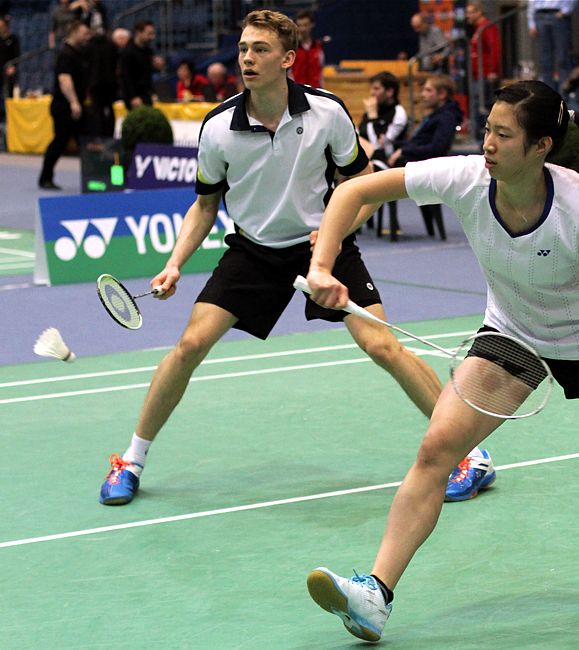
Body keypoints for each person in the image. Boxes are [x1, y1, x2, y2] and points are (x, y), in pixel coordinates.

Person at [302, 79, 579, 642]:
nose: (486, 143)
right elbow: (354, 193)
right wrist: (322, 267)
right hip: (512, 333)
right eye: (487, 129)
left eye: (502, 134)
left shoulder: (578, 206)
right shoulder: (466, 177)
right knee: (437, 449)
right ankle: (376, 594)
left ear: (540, 146)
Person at [98, 9, 481, 507]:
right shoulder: (217, 127)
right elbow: (205, 204)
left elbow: (362, 187)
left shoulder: (326, 112)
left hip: (321, 246)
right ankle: (130, 460)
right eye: (242, 49)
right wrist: (174, 262)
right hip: (254, 251)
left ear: (288, 59)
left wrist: (338, 232)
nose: (247, 58)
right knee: (190, 344)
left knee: (383, 347)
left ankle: (471, 456)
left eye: (259, 49)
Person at [387, 74, 463, 240]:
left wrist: (404, 151)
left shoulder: (446, 117)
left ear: (442, 94)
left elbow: (437, 148)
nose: (423, 94)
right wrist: (397, 144)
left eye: (428, 90)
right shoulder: (435, 115)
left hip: (428, 165)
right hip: (416, 159)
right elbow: (418, 141)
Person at [38, 21, 91, 190]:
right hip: (64, 106)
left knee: (86, 141)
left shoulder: (79, 53)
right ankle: (45, 177)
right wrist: (74, 102)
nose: (87, 36)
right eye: (84, 33)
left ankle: (93, 178)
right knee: (60, 142)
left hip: (77, 104)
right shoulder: (66, 54)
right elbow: (64, 80)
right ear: (73, 32)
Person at [465, 1, 501, 140]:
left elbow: (494, 48)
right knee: (476, 106)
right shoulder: (477, 29)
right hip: (477, 75)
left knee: (484, 107)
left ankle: (483, 139)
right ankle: (478, 138)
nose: (467, 16)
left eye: (470, 12)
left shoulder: (487, 27)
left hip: (486, 75)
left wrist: (493, 70)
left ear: (478, 12)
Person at [358, 71, 407, 169]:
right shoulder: (374, 109)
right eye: (371, 88)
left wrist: (373, 117)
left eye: (376, 89)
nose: (372, 93)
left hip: (385, 163)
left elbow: (378, 144)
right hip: (367, 158)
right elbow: (360, 133)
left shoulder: (398, 113)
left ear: (389, 92)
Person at [528, 0, 577, 91]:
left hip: (558, 14)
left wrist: (566, 10)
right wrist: (531, 23)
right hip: (540, 14)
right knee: (545, 60)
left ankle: (564, 94)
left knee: (562, 58)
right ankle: (549, 95)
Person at [119, 20, 155, 109]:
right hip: (134, 97)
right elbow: (126, 77)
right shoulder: (128, 52)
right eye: (149, 34)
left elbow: (147, 75)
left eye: (153, 34)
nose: (152, 37)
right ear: (139, 33)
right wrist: (133, 97)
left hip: (146, 95)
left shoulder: (148, 51)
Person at [290, 9, 324, 88]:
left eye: (305, 25)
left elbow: (320, 72)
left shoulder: (318, 47)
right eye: (299, 25)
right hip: (297, 90)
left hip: (315, 91)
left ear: (312, 25)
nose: (303, 29)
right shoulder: (291, 48)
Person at [0, 15, 20, 120]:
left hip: (9, 71)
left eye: (2, 25)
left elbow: (17, 55)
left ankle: (11, 117)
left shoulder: (13, 38)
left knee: (9, 94)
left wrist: (13, 66)